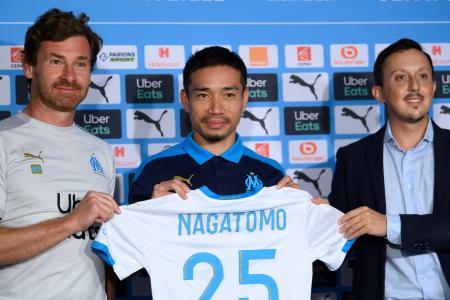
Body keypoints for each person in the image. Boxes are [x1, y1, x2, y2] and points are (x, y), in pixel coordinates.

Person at [0, 8, 120, 299]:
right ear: (29, 66)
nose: (69, 76)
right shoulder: (4, 141)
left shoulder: (101, 151)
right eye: (56, 61)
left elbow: (105, 252)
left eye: (80, 64)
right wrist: (71, 221)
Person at [329, 38, 450, 300]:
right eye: (400, 78)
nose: (415, 87)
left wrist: (388, 225)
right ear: (379, 93)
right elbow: (335, 237)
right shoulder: (353, 159)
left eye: (422, 76)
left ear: (433, 86)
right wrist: (304, 208)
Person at [129, 46, 295, 203]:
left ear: (244, 99)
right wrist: (151, 209)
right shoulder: (152, 171)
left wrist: (305, 210)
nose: (216, 109)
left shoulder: (272, 175)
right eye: (203, 95)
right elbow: (130, 232)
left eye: (229, 95)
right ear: (186, 100)